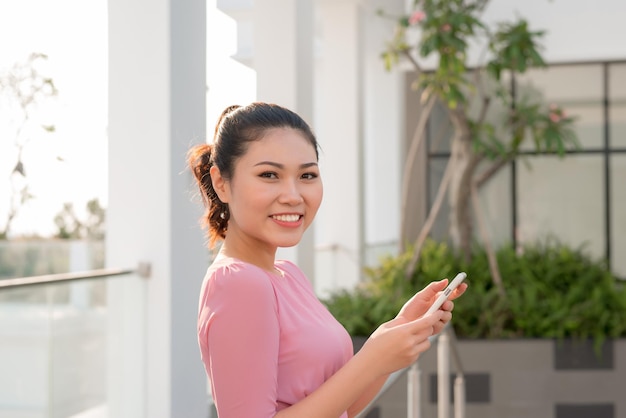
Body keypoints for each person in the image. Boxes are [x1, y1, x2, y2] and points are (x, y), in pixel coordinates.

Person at [188, 102, 467, 418]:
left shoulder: (287, 275)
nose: (293, 195)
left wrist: (400, 328)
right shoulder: (237, 282)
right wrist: (373, 358)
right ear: (221, 182)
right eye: (269, 175)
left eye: (307, 175)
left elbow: (341, 407)